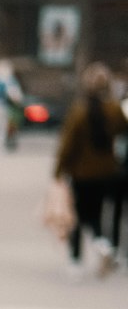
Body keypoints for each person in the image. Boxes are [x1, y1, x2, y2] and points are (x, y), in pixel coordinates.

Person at [54, 61, 128, 277]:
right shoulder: (114, 110)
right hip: (107, 171)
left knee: (78, 215)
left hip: (81, 172)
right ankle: (103, 244)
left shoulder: (79, 111)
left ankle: (77, 259)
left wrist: (58, 171)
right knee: (96, 213)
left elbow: (68, 145)